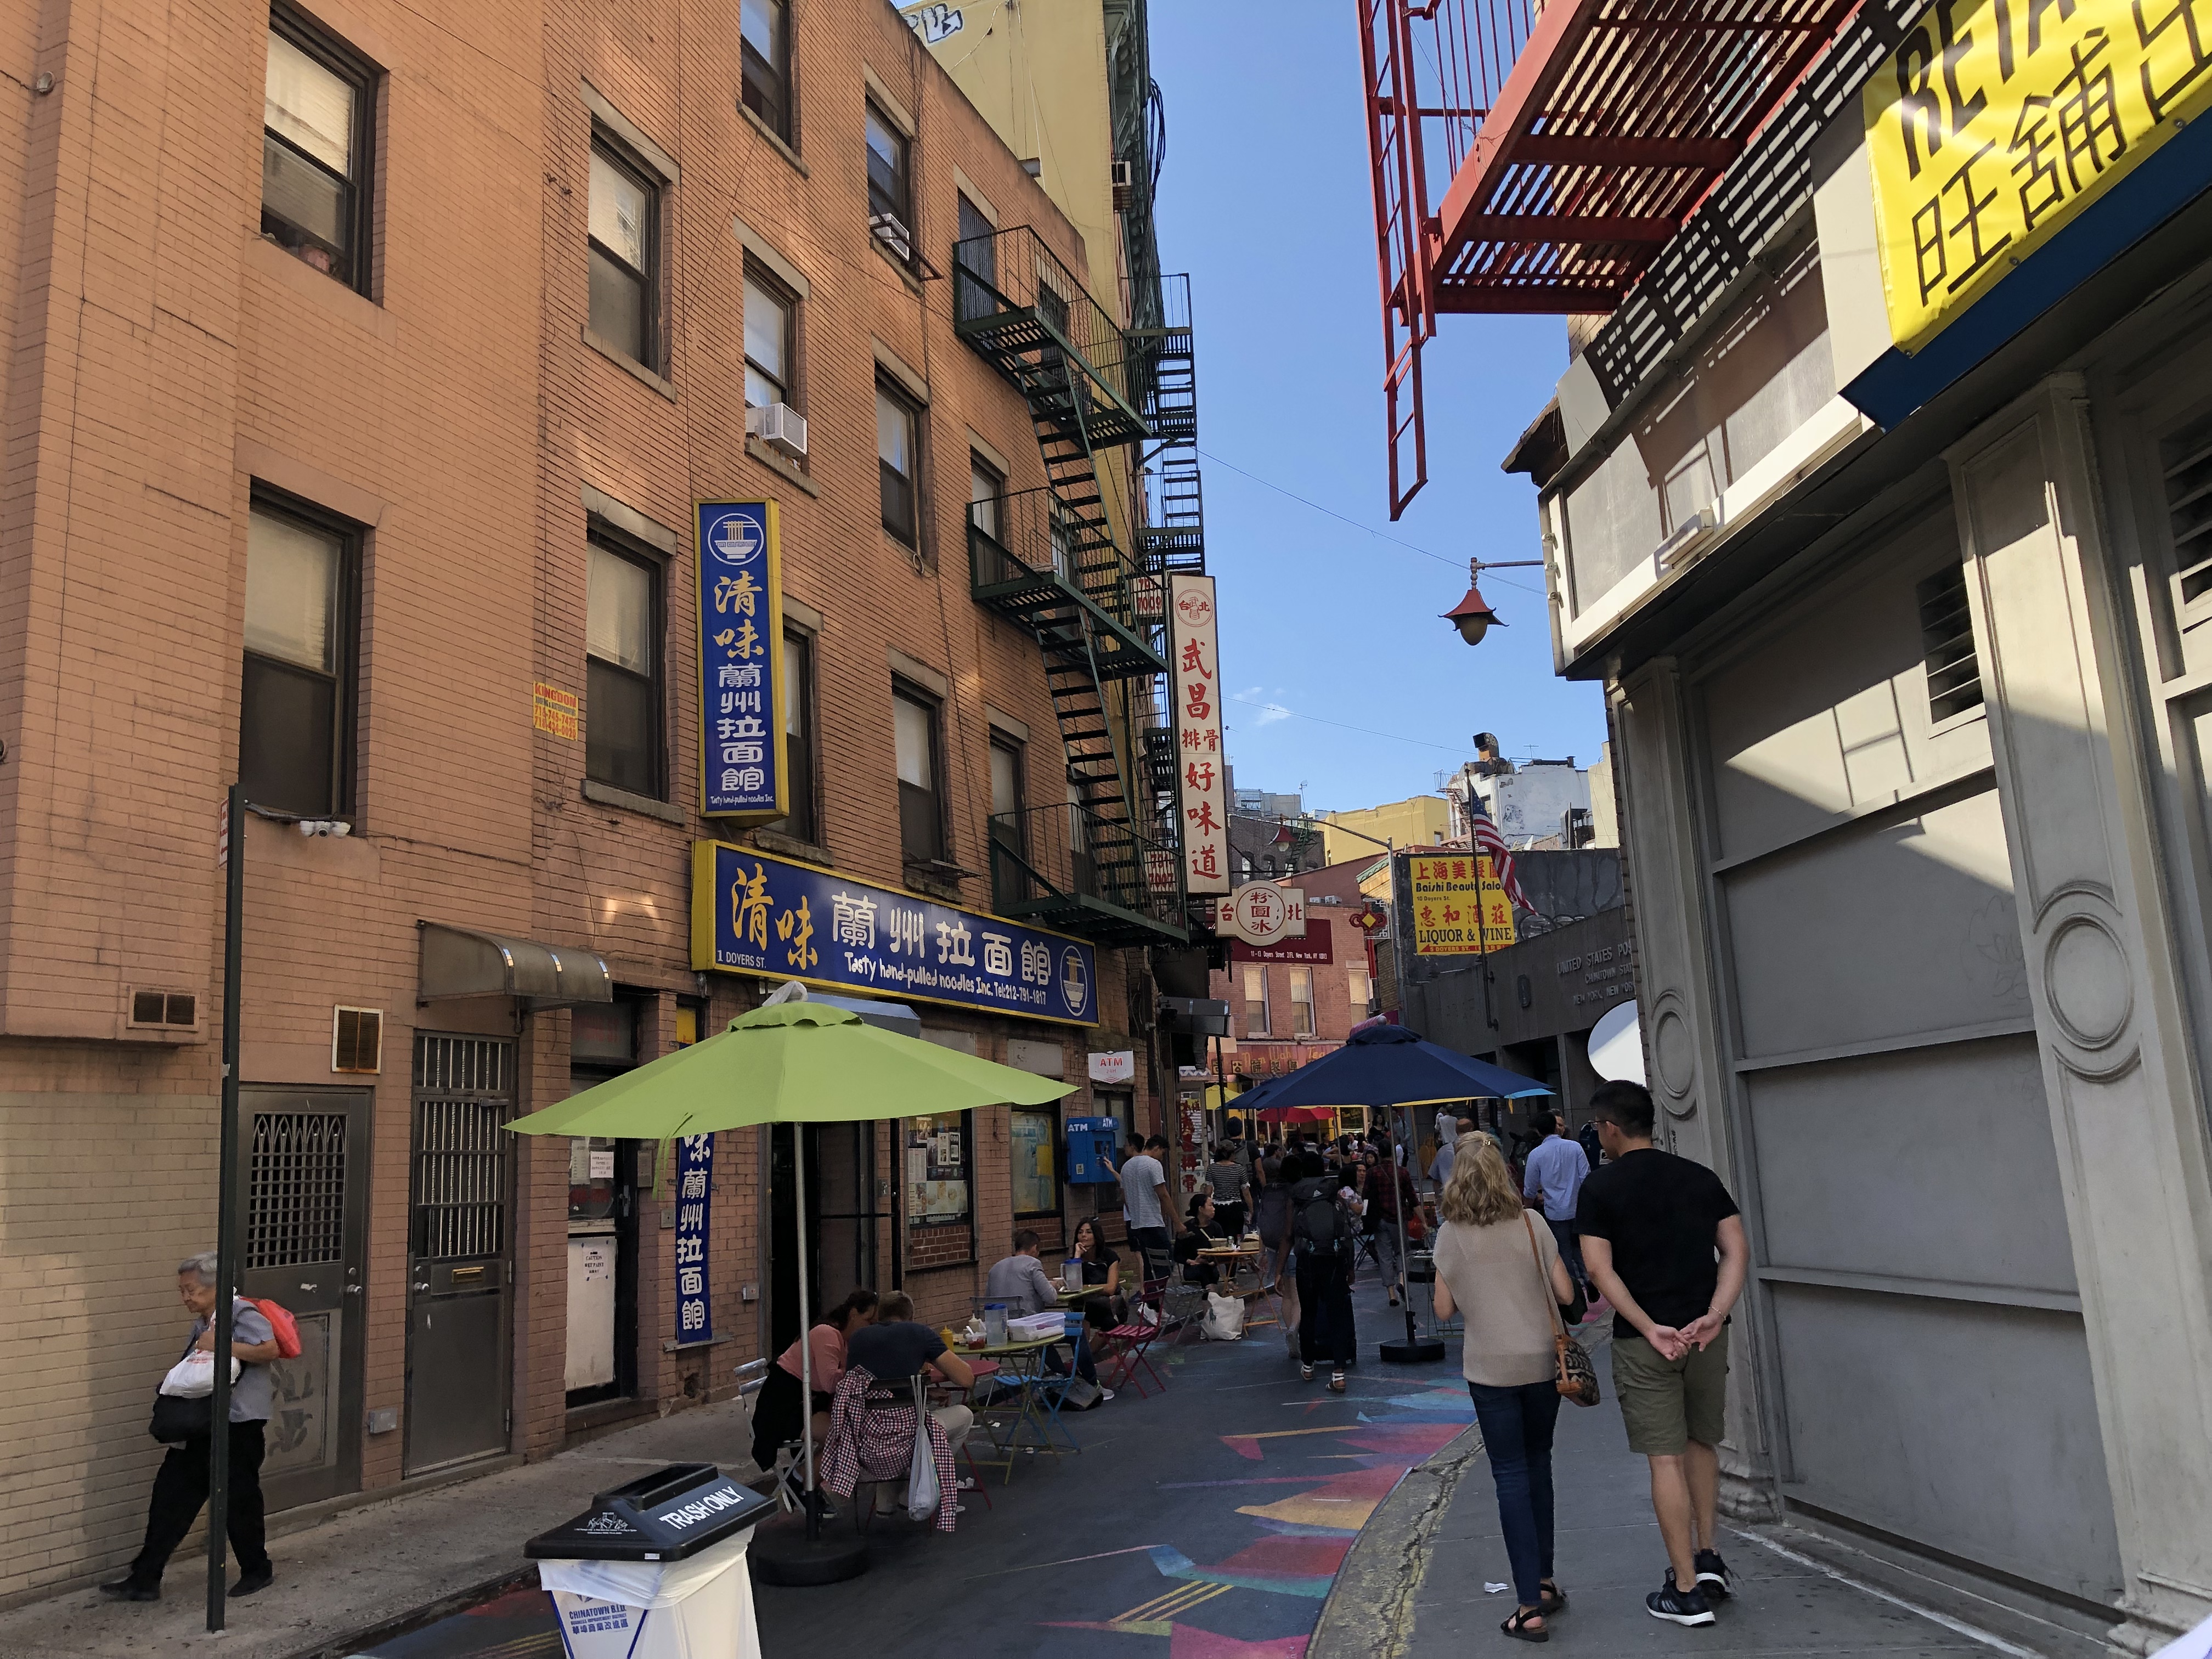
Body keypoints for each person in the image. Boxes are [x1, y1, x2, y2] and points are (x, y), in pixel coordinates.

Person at [1576, 1080, 1749, 1628]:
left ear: (1609, 1128)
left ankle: (1684, 1589)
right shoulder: (1699, 1178)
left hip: (1646, 1343)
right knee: (1702, 1443)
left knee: (1665, 1459)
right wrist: (1715, 1315)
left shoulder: (1601, 1189)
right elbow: (1736, 1249)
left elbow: (1600, 1271)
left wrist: (1649, 1327)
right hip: (1702, 1335)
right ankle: (1708, 1555)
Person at [1431, 1135, 1584, 1644]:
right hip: (1543, 1363)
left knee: (1510, 1475)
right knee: (1539, 1463)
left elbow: (1443, 1311)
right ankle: (1543, 1579)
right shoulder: (1531, 1222)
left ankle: (1526, 1606)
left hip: (1490, 1369)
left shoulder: (1450, 1235)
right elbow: (1565, 1293)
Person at [104, 1253, 280, 1601]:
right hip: (201, 1425)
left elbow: (270, 1350)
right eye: (182, 1291)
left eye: (192, 1290)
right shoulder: (204, 1321)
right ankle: (145, 1577)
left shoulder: (241, 1312)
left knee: (238, 1500)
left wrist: (221, 1345)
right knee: (170, 1497)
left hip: (237, 1424)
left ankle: (257, 1570)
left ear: (215, 1287)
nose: (186, 1297)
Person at [749, 1287, 878, 1492]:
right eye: (869, 1322)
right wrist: (857, 1371)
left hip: (808, 1401)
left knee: (851, 1434)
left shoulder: (845, 1341)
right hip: (783, 1405)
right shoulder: (827, 1334)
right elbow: (830, 1382)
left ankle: (804, 1482)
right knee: (843, 1438)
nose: (871, 1328)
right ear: (854, 1314)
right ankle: (800, 1483)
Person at [845, 1291, 975, 1452]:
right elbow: (966, 1379)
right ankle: (926, 1472)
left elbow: (882, 1388)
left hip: (863, 1442)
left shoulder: (857, 1338)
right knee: (965, 1415)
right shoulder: (919, 1333)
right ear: (911, 1316)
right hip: (906, 1439)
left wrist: (925, 1393)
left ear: (879, 1316)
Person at [1289, 1154, 1361, 1391]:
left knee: (1308, 1313)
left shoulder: (1297, 1198)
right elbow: (1347, 1236)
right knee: (1337, 1316)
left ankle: (1308, 1366)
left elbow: (1287, 1236)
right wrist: (1349, 1268)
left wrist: (1279, 1271)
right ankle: (1338, 1374)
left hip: (1306, 1263)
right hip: (1333, 1262)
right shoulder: (1335, 1197)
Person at [1522, 1111, 1591, 1296]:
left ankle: (1573, 1289)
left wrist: (1528, 1206)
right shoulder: (1575, 1147)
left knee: (1563, 1251)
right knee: (1580, 1247)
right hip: (1578, 1208)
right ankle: (1589, 1277)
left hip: (1554, 1211)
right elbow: (1586, 1177)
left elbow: (1529, 1188)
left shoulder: (1536, 1155)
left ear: (1538, 1131)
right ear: (1556, 1126)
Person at [1253, 1150, 1301, 1356]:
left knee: (1286, 1297)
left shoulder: (1268, 1191)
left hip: (1273, 1248)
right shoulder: (1294, 1191)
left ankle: (1291, 1335)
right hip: (1291, 1249)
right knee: (1299, 1297)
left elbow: (1263, 1221)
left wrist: (1262, 1252)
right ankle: (1294, 1331)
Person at [1362, 1148, 1420, 1306]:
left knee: (1385, 1256)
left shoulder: (1372, 1173)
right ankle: (1401, 1280)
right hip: (1398, 1218)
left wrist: (1365, 1217)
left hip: (1379, 1219)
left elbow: (1365, 1196)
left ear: (1379, 1155)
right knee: (1402, 1251)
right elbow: (1412, 1199)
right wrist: (1424, 1221)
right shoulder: (1402, 1172)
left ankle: (1391, 1295)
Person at [1118, 1135, 1173, 1278]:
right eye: (1162, 1153)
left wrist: (1134, 1213)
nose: (1162, 1157)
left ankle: (1151, 1298)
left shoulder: (1126, 1167)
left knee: (1148, 1263)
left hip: (1136, 1225)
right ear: (1156, 1148)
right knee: (1167, 1261)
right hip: (1153, 1223)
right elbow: (1163, 1195)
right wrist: (1177, 1222)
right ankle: (1159, 1294)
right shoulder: (1153, 1164)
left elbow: (1125, 1198)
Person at [985, 1228, 1061, 1316]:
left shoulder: (995, 1268)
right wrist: (1052, 1287)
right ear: (1035, 1248)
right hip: (1027, 1323)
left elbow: (988, 1302)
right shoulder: (1033, 1264)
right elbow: (1051, 1298)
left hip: (998, 1324)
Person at [1172, 1189, 1227, 1285]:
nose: (1214, 1209)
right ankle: (1212, 1295)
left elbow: (1223, 1251)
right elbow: (1177, 1255)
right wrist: (1192, 1261)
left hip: (1211, 1267)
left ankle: (1210, 1295)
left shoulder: (1216, 1227)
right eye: (1210, 1205)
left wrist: (1214, 1262)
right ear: (1201, 1209)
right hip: (1192, 1269)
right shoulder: (1186, 1228)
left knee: (1208, 1269)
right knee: (1202, 1268)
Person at [1206, 1142, 1251, 1239]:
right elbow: (1246, 1193)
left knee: (1220, 1237)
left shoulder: (1212, 1169)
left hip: (1218, 1208)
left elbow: (1208, 1192)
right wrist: (1251, 1210)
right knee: (1236, 1238)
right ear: (1232, 1154)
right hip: (1236, 1208)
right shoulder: (1239, 1169)